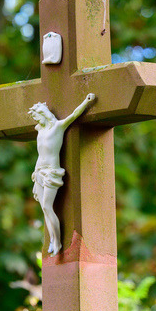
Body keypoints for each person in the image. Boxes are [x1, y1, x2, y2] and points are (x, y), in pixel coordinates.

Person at [28, 92, 97, 255]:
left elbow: (74, 115)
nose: (37, 121)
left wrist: (86, 101)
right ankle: (52, 240)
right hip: (39, 172)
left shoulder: (58, 127)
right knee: (44, 209)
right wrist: (35, 173)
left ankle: (57, 242)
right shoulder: (40, 130)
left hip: (51, 172)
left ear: (44, 114)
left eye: (37, 117)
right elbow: (40, 153)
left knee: (47, 206)